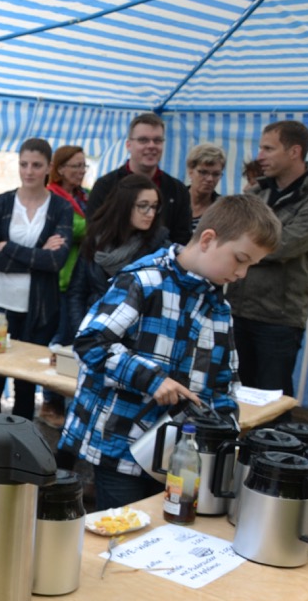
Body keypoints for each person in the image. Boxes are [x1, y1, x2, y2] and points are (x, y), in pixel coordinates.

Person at [58, 195, 281, 509]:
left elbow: (224, 385)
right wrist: (152, 380)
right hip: (119, 447)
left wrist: (223, 442)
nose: (242, 273)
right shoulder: (143, 281)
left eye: (251, 265)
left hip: (176, 459)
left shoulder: (219, 309)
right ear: (207, 239)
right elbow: (90, 342)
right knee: (124, 538)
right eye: (240, 259)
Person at [227, 120, 308, 397]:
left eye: (268, 148)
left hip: (278, 320)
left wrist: (240, 249)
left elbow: (283, 245)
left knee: (271, 401)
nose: (260, 155)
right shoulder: (258, 191)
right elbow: (230, 233)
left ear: (294, 151)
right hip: (237, 310)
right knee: (236, 396)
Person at [0, 138, 72, 421]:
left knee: (27, 383)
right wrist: (37, 257)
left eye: (36, 165)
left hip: (39, 309)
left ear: (49, 168)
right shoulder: (1, 203)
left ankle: (20, 445)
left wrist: (10, 248)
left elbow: (56, 261)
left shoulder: (60, 208)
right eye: (23, 164)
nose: (28, 171)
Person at [66, 174, 169, 330]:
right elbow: (77, 292)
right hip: (92, 326)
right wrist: (82, 331)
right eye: (143, 205)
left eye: (154, 206)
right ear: (124, 205)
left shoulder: (160, 249)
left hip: (133, 336)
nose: (150, 213)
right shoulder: (95, 239)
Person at [39, 145, 91, 429]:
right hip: (60, 279)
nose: (81, 171)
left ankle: (64, 398)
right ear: (59, 169)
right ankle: (50, 399)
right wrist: (94, 223)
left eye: (84, 166)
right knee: (58, 339)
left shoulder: (85, 197)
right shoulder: (54, 198)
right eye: (76, 166)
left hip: (80, 280)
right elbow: (76, 229)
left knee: (73, 339)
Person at [86, 113, 193, 245]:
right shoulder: (105, 186)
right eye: (143, 140)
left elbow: (182, 239)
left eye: (157, 140)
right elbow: (94, 232)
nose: (151, 146)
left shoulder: (177, 190)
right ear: (128, 145)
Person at [186, 144, 226, 237]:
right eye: (203, 172)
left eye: (216, 174)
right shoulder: (174, 200)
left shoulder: (223, 210)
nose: (210, 179)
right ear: (190, 171)